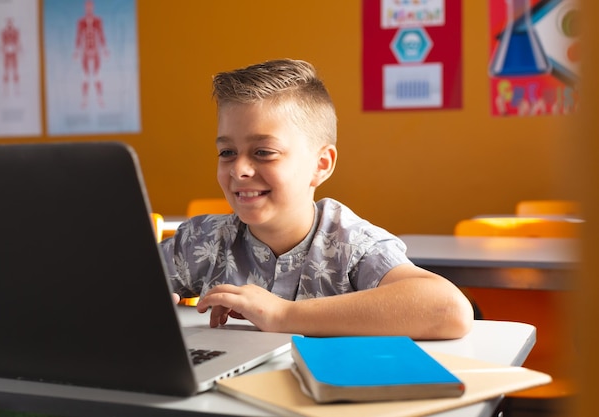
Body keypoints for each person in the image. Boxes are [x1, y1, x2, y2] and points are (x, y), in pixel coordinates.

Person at [160, 59, 473, 339]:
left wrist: (282, 315)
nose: (239, 169)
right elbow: (116, 283)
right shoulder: (201, 241)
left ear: (321, 164)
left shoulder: (352, 244)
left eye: (263, 152)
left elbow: (448, 309)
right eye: (227, 152)